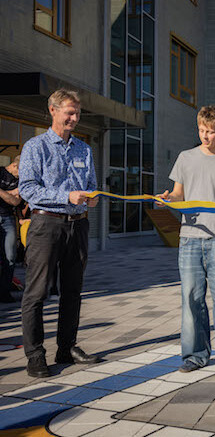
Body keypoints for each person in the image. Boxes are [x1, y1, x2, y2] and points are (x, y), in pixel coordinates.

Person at [18, 89, 100, 378]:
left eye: (77, 113)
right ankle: (35, 355)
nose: (74, 118)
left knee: (73, 290)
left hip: (78, 225)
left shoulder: (84, 149)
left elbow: (90, 184)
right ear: (52, 110)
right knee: (37, 292)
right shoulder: (35, 147)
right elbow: (27, 188)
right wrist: (67, 196)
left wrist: (92, 197)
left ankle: (67, 347)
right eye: (69, 112)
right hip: (46, 225)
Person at [159, 106, 215, 373]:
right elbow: (178, 194)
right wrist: (168, 199)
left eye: (210, 131)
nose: (205, 136)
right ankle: (195, 355)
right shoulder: (185, 158)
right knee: (191, 299)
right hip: (189, 239)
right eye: (201, 130)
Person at [0, 156, 21, 303]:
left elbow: (16, 200)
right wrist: (10, 193)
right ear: (14, 165)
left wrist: (2, 193)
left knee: (10, 257)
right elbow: (12, 197)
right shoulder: (1, 173)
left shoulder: (22, 181)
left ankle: (4, 292)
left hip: (8, 218)